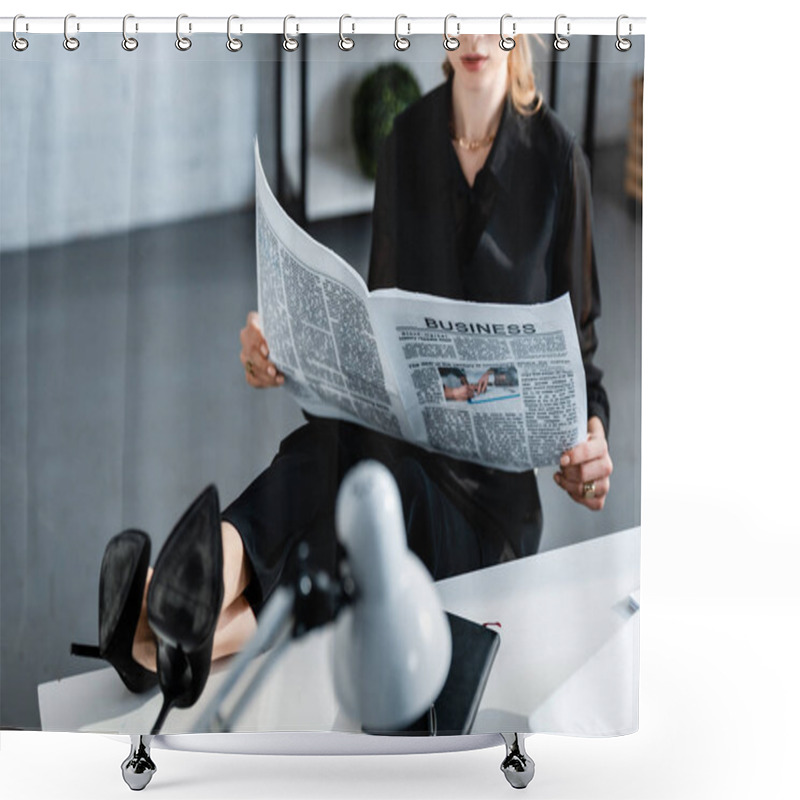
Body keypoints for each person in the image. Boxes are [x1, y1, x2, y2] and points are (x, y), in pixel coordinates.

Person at [79, 33, 613, 724]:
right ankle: (168, 638)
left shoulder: (557, 161)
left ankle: (171, 601)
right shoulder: (405, 141)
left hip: (487, 513)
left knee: (359, 477)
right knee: (344, 462)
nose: (476, 35)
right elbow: (381, 330)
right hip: (397, 449)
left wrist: (590, 448)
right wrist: (285, 355)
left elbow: (584, 359)